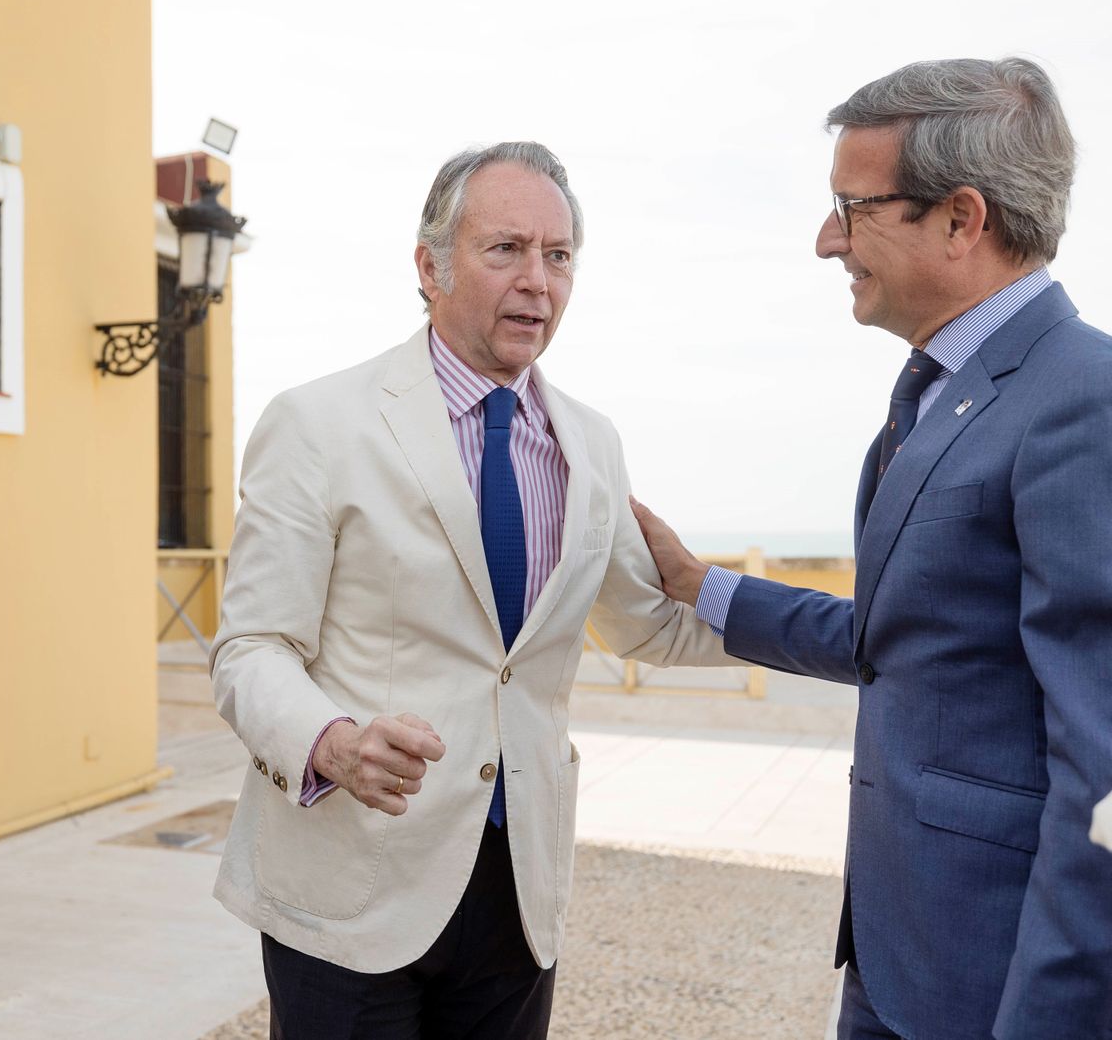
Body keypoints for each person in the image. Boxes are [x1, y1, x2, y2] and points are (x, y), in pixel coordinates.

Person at [630, 58, 1112, 1039]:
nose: (824, 241)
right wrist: (696, 584)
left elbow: (1098, 780)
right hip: (895, 955)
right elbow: (905, 638)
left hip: (990, 984)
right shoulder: (942, 388)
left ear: (960, 218)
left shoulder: (1082, 402)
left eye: (850, 207)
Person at [210, 141, 733, 1038]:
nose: (538, 281)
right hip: (353, 887)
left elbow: (649, 624)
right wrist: (331, 742)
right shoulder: (318, 423)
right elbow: (252, 648)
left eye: (558, 255)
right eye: (506, 250)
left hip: (519, 890)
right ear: (431, 266)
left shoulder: (591, 443)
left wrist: (865, 623)